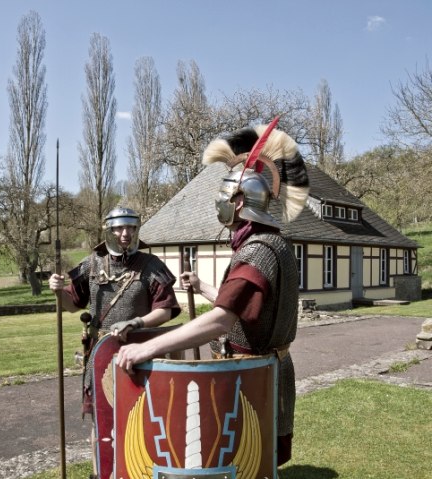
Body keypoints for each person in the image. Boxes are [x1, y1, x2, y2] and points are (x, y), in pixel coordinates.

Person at [116, 122, 310, 468]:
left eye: (224, 195)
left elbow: (224, 317)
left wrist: (151, 346)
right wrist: (204, 287)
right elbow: (245, 302)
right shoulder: (275, 243)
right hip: (271, 365)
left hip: (253, 372)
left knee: (247, 459)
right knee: (257, 457)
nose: (218, 203)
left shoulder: (257, 250)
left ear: (239, 202)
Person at [49, 205, 181, 477]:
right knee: (101, 424)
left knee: (142, 420)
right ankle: (102, 474)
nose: (126, 234)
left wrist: (136, 323)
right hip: (100, 358)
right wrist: (56, 290)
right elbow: (72, 305)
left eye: (131, 227)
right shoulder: (92, 264)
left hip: (141, 355)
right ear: (108, 230)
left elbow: (166, 309)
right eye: (120, 228)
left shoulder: (151, 266)